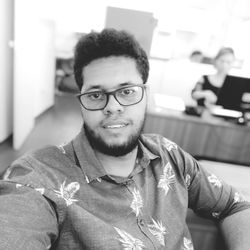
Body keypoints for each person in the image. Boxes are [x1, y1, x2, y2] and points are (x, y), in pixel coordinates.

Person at [0, 29, 249, 250]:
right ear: (81, 102)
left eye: (127, 91)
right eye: (96, 94)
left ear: (145, 95)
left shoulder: (170, 155)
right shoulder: (38, 179)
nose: (113, 107)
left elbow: (235, 205)